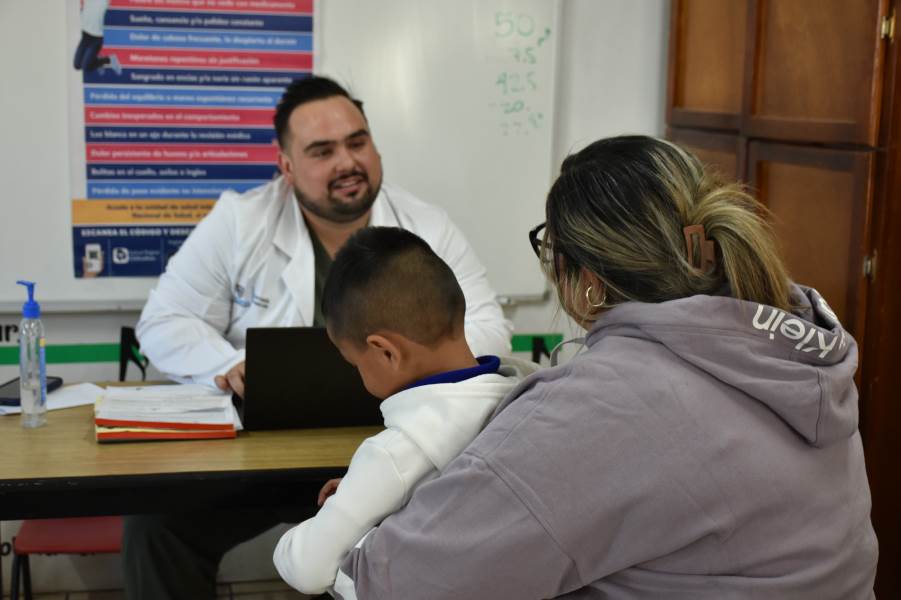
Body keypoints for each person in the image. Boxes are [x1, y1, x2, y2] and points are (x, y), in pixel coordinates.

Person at [333, 136, 879, 599]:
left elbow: (400, 580)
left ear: (588, 283)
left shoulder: (603, 405)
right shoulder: (792, 347)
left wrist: (364, 519)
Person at [124, 76, 512, 600]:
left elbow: (489, 329)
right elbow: (163, 321)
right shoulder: (240, 222)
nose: (347, 162)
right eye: (322, 151)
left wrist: (413, 356)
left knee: (378, 555)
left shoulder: (425, 226)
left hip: (387, 448)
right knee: (156, 528)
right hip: (261, 456)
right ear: (286, 167)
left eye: (357, 142)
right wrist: (227, 363)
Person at [273, 226, 538, 595]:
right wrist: (361, 491)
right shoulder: (528, 394)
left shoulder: (393, 453)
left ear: (386, 352)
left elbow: (308, 568)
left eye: (354, 363)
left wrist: (308, 531)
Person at [73, 0, 121, 75]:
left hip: (96, 39)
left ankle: (108, 60)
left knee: (86, 67)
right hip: (85, 36)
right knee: (77, 65)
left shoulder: (104, 2)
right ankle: (95, 58)